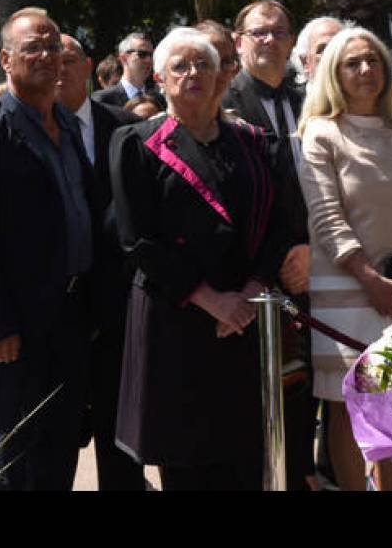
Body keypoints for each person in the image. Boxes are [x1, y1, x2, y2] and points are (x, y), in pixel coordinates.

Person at [109, 27, 306, 490]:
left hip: (244, 322)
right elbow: (138, 241)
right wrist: (212, 300)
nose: (193, 73)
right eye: (180, 65)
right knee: (188, 466)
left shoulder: (256, 143)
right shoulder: (136, 144)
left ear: (220, 76)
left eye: (203, 64)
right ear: (159, 77)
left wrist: (251, 293)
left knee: (245, 458)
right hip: (177, 320)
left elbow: (280, 225)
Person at [297, 27, 392, 491]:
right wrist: (366, 277)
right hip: (345, 288)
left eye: (373, 61)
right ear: (334, 74)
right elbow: (326, 217)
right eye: (353, 63)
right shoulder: (321, 133)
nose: (366, 70)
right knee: (347, 404)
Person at [0, 8, 94, 491]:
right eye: (34, 47)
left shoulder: (69, 126)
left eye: (54, 46)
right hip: (14, 325)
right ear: (7, 60)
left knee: (59, 441)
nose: (47, 56)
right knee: (11, 448)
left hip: (69, 315)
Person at [221, 0, 317, 489]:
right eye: (259, 32)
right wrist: (280, 254)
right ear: (238, 41)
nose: (270, 40)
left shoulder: (314, 99)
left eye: (280, 31)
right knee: (258, 404)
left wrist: (311, 248)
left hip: (313, 266)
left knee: (307, 396)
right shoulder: (225, 102)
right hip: (254, 275)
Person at [53, 33, 144, 491]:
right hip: (54, 319)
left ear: (89, 67)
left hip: (118, 315)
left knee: (122, 451)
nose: (59, 68)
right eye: (52, 59)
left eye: (69, 59)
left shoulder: (125, 127)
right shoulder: (26, 129)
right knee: (53, 450)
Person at [93, 32, 159, 108]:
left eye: (151, 55)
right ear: (124, 58)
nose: (149, 60)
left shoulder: (159, 99)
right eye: (142, 54)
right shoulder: (103, 100)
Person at [292, 16, 345, 86]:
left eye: (340, 48)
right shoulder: (294, 96)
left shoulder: (360, 95)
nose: (334, 56)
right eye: (323, 50)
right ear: (305, 62)